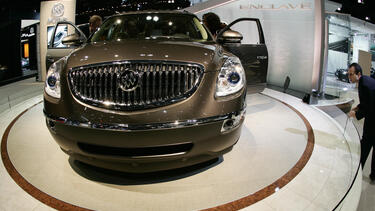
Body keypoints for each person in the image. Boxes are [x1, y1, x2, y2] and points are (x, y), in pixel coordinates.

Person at [348, 63, 375, 181]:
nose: (349, 77)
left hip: (373, 119)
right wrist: (358, 107)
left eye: (351, 74)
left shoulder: (363, 84)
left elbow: (370, 105)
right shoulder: (365, 81)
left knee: (365, 145)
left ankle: (358, 171)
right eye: (348, 74)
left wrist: (357, 114)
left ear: (358, 74)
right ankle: (373, 175)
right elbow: (368, 101)